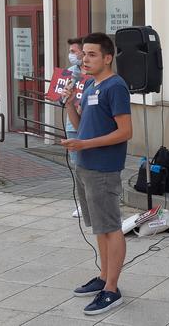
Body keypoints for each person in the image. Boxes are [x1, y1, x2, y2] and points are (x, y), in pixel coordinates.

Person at [61, 32, 132, 315]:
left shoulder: (116, 87)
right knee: (99, 228)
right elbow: (81, 124)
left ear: (107, 57)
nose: (84, 60)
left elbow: (126, 132)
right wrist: (68, 104)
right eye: (83, 54)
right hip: (85, 164)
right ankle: (103, 277)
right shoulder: (90, 84)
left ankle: (112, 290)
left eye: (91, 55)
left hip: (103, 168)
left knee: (110, 227)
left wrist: (84, 144)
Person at [66, 37, 84, 218]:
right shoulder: (70, 72)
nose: (71, 55)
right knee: (77, 166)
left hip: (89, 126)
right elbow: (60, 96)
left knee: (89, 167)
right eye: (70, 51)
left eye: (73, 51)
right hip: (72, 126)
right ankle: (82, 202)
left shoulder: (92, 74)